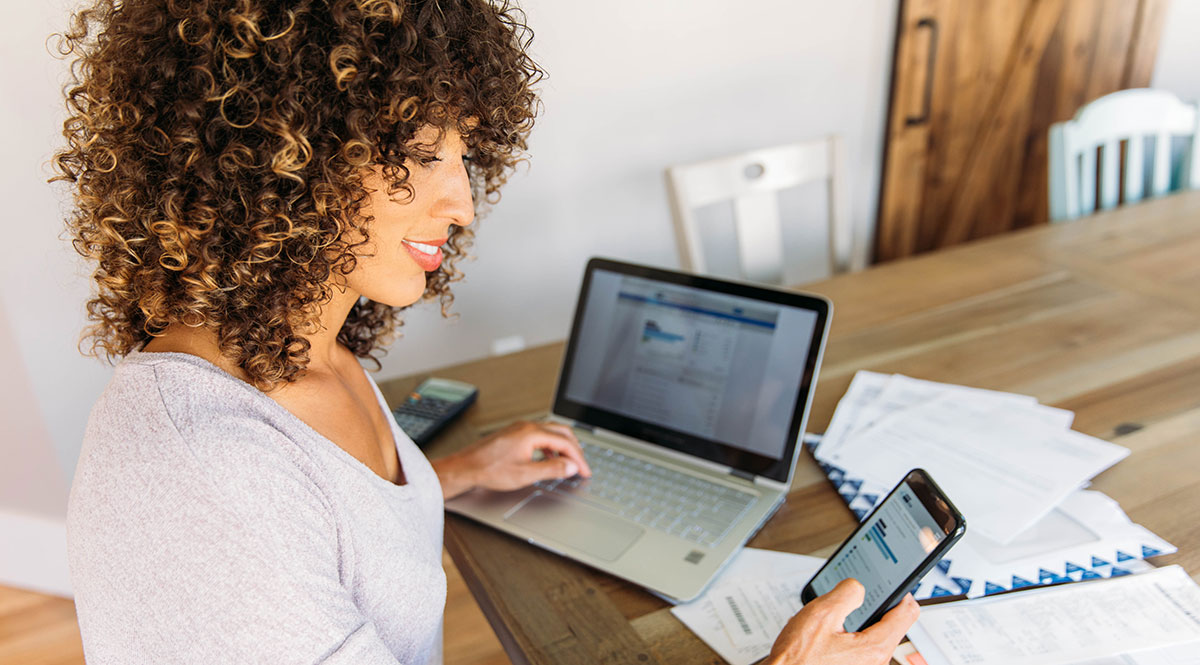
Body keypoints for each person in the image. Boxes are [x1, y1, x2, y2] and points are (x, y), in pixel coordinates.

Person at [53, 0, 919, 663]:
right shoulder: (206, 481)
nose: (462, 204)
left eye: (465, 156)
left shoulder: (303, 352)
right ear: (284, 151)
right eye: (425, 153)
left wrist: (452, 474)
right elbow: (273, 517)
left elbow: (329, 522)